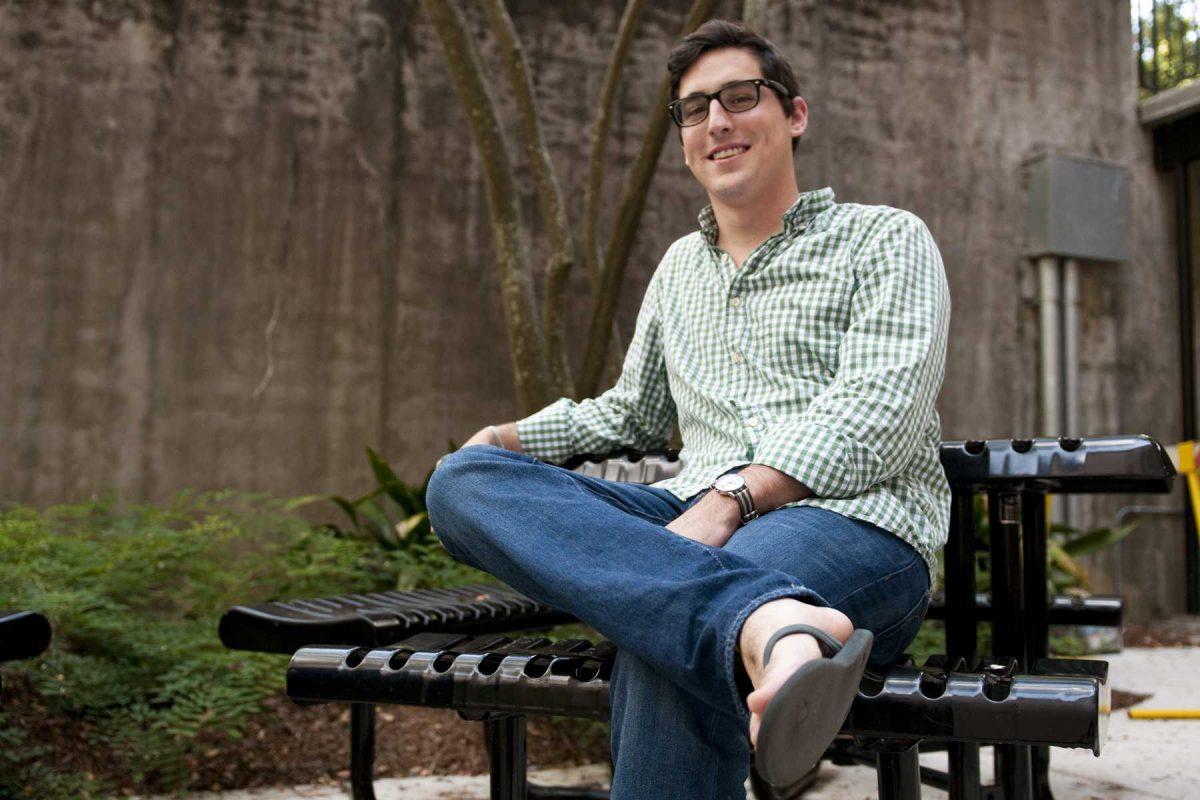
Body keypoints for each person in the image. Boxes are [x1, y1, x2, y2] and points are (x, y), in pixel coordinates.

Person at [427, 18, 950, 799]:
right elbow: (628, 414)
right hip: (692, 517)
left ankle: (753, 611)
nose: (719, 122)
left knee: (667, 632)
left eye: (741, 97)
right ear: (683, 136)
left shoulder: (882, 241)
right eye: (696, 108)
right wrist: (501, 439)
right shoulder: (679, 269)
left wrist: (735, 497)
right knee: (461, 483)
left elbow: (875, 413)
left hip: (855, 524)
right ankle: (771, 624)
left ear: (794, 115)